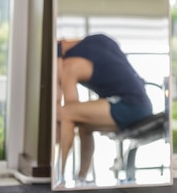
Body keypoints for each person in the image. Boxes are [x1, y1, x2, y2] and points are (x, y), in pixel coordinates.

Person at [56, 33, 153, 184]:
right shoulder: (97, 44)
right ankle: (81, 179)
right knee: (84, 126)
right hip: (143, 106)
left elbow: (70, 107)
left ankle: (58, 176)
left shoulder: (69, 64)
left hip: (129, 105)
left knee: (66, 113)